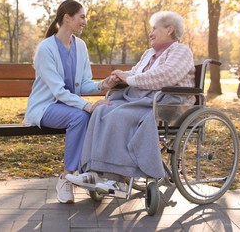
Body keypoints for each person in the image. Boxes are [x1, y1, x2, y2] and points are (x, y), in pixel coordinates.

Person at [66, 11, 196, 194]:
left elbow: (166, 76)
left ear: (169, 29)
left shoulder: (180, 51)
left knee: (120, 116)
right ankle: (93, 172)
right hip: (141, 99)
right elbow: (135, 73)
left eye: (154, 29)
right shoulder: (149, 53)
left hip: (166, 104)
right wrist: (120, 77)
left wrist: (130, 79)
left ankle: (117, 181)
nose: (150, 33)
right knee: (101, 110)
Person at [24, 0, 117, 204]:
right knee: (82, 115)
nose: (85, 21)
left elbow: (83, 84)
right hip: (45, 107)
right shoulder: (46, 49)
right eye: (82, 17)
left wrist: (104, 84)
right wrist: (88, 106)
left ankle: (90, 172)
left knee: (91, 114)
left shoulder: (80, 46)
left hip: (67, 107)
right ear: (67, 18)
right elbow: (58, 91)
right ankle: (66, 177)